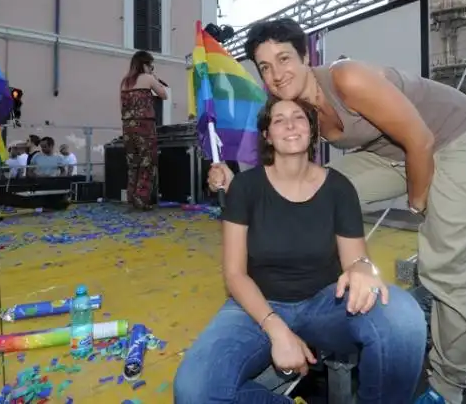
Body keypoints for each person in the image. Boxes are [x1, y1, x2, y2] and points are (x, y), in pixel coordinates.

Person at [208, 19, 466, 404]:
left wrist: (419, 201)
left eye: (283, 59)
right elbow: (289, 173)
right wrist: (236, 183)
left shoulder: (347, 79)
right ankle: (318, 295)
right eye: (265, 67)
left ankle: (449, 386)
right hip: (394, 155)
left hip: (457, 142)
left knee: (450, 268)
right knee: (320, 189)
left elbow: (421, 139)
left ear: (305, 56)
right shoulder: (295, 105)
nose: (276, 74)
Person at [175, 97, 426, 403]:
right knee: (193, 391)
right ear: (266, 134)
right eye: (279, 119)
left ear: (311, 130)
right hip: (256, 305)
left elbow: (356, 261)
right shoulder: (245, 188)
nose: (291, 124)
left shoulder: (339, 188)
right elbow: (235, 274)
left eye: (299, 117)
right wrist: (277, 330)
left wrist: (362, 268)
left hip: (327, 303)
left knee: (403, 318)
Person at [120, 50, 167, 210]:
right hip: (144, 126)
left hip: (127, 126)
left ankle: (131, 197)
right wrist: (154, 79)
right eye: (150, 65)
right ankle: (142, 198)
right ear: (145, 64)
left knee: (133, 163)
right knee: (147, 162)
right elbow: (164, 94)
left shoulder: (125, 81)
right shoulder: (147, 78)